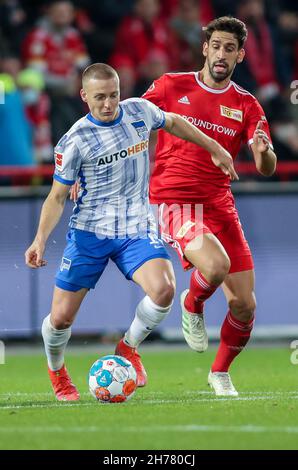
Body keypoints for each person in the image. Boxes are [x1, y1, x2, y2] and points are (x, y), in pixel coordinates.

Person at [25, 62, 237, 401]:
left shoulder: (138, 110)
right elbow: (57, 195)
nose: (109, 105)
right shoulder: (74, 141)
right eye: (99, 98)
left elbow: (175, 121)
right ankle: (58, 373)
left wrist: (215, 147)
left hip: (135, 226)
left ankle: (128, 348)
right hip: (90, 232)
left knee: (165, 289)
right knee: (62, 318)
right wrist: (39, 240)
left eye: (113, 95)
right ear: (84, 96)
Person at [142, 16, 277, 396]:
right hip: (175, 200)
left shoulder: (246, 105)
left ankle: (219, 373)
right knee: (215, 267)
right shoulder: (171, 86)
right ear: (205, 48)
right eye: (216, 46)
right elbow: (132, 119)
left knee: (245, 306)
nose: (221, 54)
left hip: (219, 205)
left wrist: (263, 151)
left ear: (240, 56)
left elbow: (267, 167)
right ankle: (193, 300)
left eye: (229, 48)